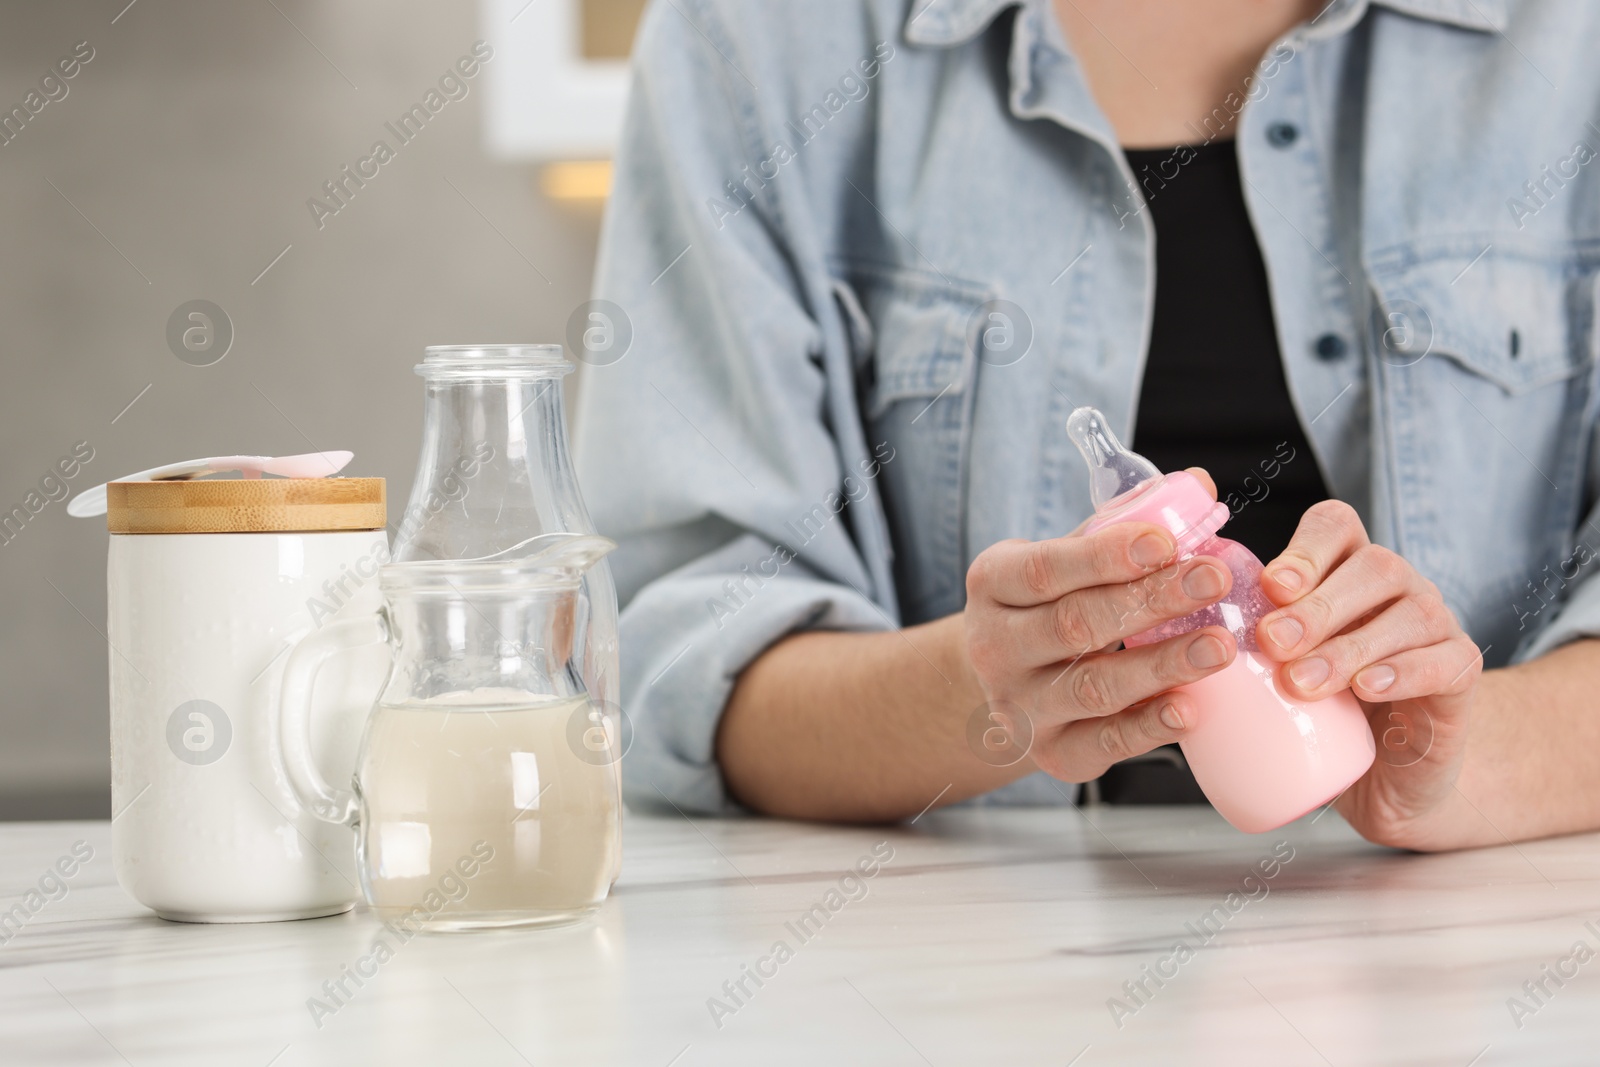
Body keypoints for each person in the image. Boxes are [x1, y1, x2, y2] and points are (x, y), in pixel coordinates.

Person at [573, 0, 1600, 851]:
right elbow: (670, 658)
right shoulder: (763, 38)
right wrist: (991, 687)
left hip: (1480, 958)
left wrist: (1461, 759)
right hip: (973, 970)